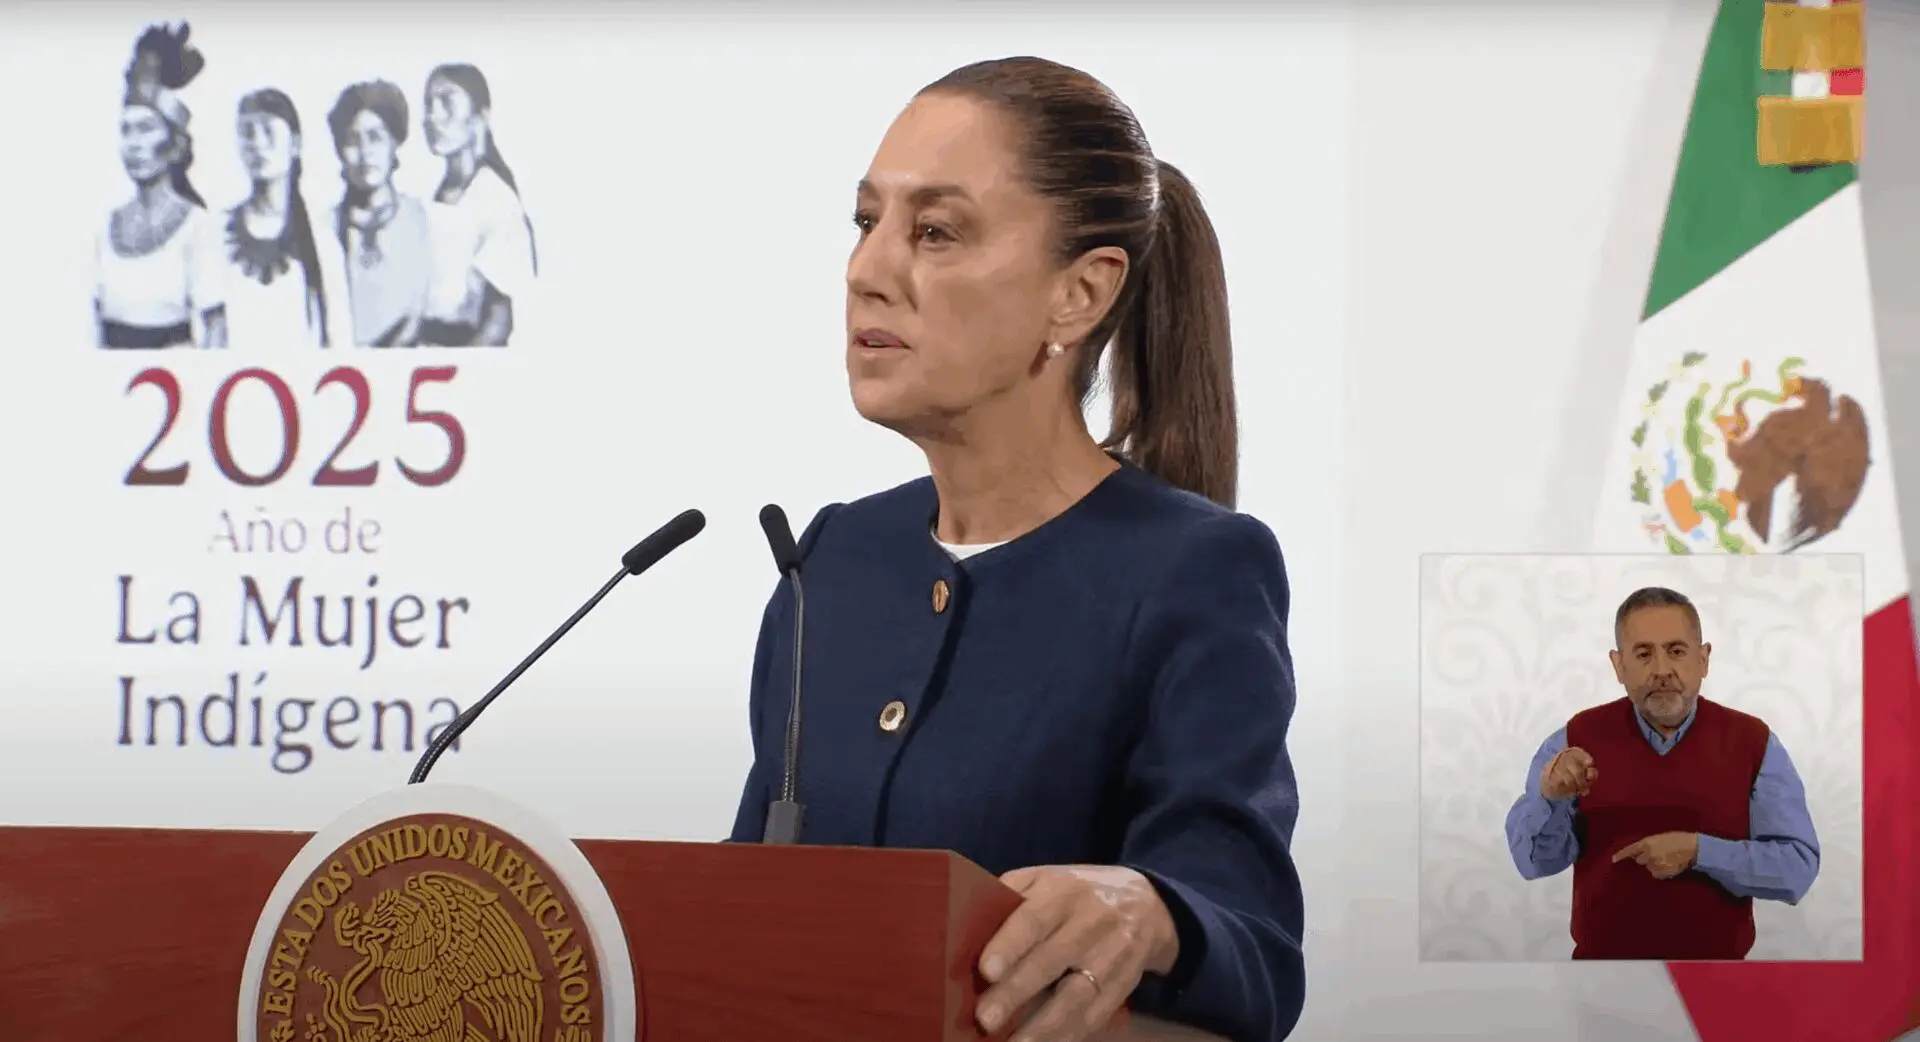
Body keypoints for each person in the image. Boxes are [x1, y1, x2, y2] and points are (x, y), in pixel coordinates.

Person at [726, 57, 1305, 1042]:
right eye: (867, 221)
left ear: (1079, 294)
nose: (868, 269)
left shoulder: (1193, 571)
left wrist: (1153, 912)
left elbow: (1250, 956)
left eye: (935, 231)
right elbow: (736, 926)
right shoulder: (829, 564)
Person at [1504, 586, 1821, 961]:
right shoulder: (1572, 742)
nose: (1661, 671)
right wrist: (1551, 799)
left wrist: (1699, 852)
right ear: (1619, 666)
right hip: (1599, 980)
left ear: (1703, 660)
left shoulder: (1754, 742)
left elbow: (1797, 869)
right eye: (1643, 654)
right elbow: (1534, 863)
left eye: (1676, 651)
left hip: (1719, 984)